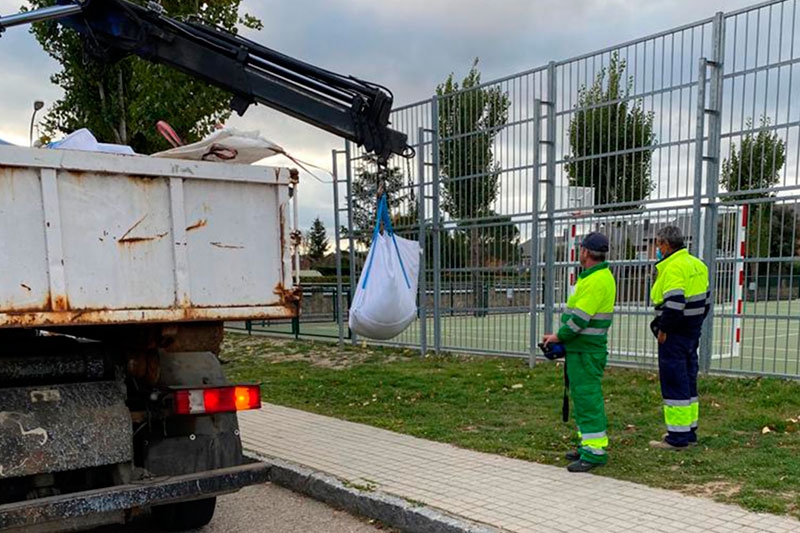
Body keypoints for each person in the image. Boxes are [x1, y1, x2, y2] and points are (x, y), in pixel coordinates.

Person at [542, 232, 616, 473]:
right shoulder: (595, 277)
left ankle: (594, 452)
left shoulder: (595, 281)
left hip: (586, 352)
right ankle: (588, 444)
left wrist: (558, 337)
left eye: (580, 249)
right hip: (582, 351)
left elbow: (579, 320)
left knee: (588, 399)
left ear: (585, 251)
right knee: (583, 399)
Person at [649, 226, 710, 450]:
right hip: (692, 332)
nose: (657, 249)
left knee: (674, 382)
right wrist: (695, 325)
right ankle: (690, 431)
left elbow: (674, 303)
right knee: (688, 380)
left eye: (657, 244)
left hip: (674, 335)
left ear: (666, 245)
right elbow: (707, 302)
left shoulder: (673, 268)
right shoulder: (698, 265)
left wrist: (663, 330)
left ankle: (676, 437)